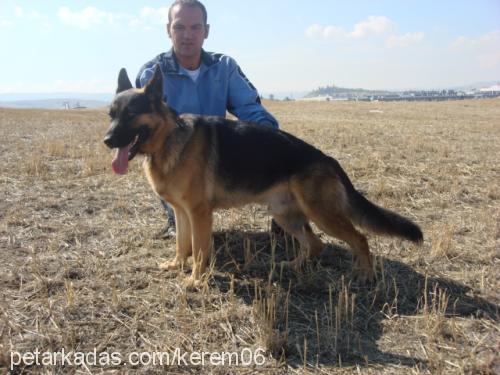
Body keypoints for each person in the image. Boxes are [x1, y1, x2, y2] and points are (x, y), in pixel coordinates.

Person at [135, 0, 279, 238]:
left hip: (216, 157)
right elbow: (144, 130)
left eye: (195, 27)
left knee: (273, 146)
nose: (187, 35)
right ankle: (176, 218)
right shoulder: (152, 74)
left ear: (206, 31)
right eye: (179, 27)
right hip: (174, 164)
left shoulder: (225, 67)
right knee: (188, 233)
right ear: (168, 29)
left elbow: (251, 110)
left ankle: (281, 207)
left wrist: (273, 142)